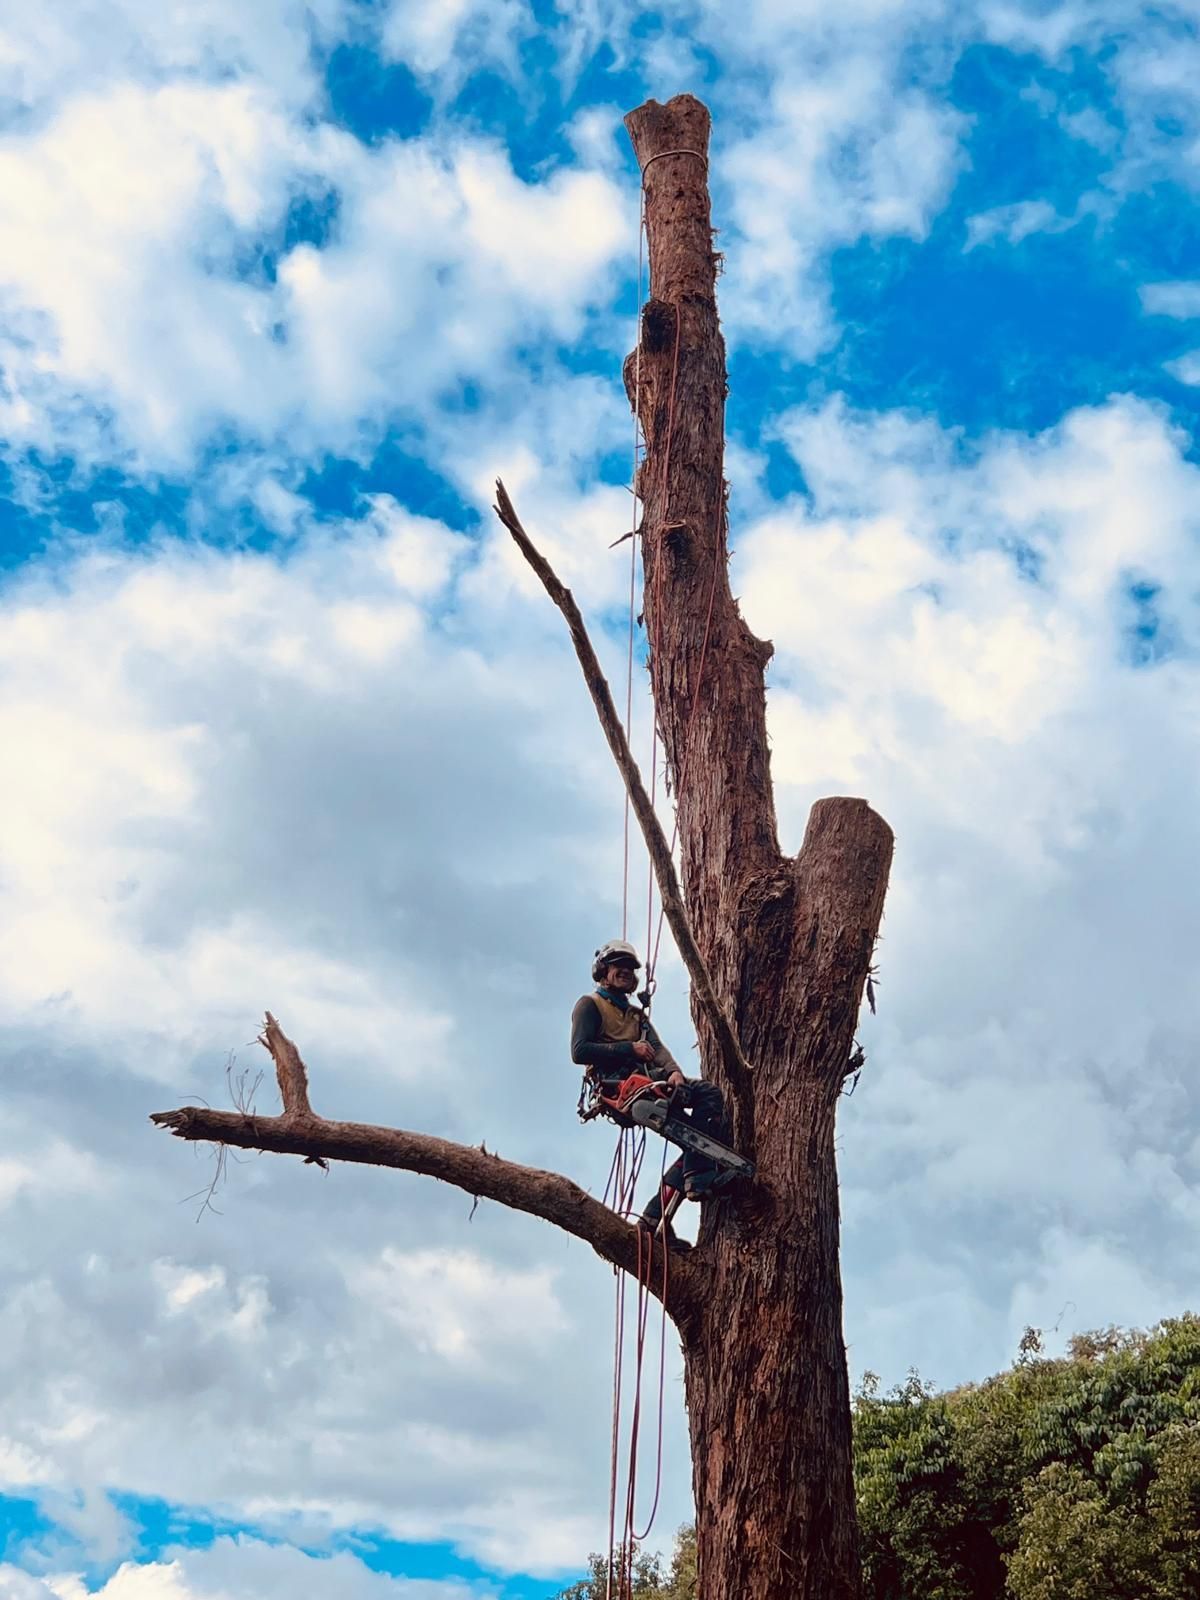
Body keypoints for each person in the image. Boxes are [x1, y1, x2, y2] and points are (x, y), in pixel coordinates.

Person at [571, 939, 728, 1251]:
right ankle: (698, 1176)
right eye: (619, 966)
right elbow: (580, 1051)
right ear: (603, 970)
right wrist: (629, 1049)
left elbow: (657, 1049)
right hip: (620, 1085)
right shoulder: (590, 1005)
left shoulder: (636, 1016)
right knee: (698, 1144)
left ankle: (654, 1217)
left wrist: (675, 1073)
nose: (625, 972)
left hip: (650, 1082)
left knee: (705, 1110)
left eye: (630, 968)